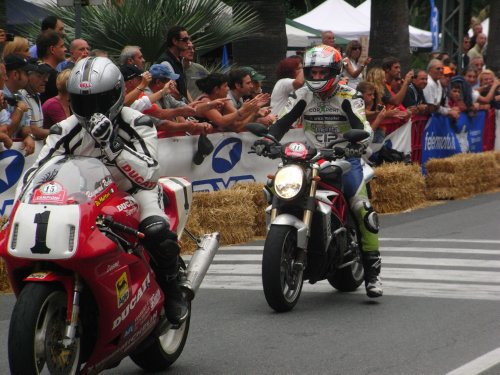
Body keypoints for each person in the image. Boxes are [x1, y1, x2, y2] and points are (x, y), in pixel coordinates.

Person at [23, 56, 188, 324]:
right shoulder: (63, 130)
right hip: (83, 196)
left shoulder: (138, 123)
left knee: (157, 232)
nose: (91, 109)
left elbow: (149, 176)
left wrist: (112, 145)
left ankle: (172, 290)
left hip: (133, 192)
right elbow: (39, 169)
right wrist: (24, 200)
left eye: (98, 101)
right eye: (83, 101)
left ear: (116, 94)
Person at [258, 45, 382, 298]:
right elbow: (282, 120)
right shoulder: (302, 94)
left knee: (361, 208)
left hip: (345, 158)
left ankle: (372, 273)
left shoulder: (349, 96)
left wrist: (357, 143)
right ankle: (284, 244)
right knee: (274, 190)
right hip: (310, 158)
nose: (315, 77)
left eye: (321, 72)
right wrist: (269, 140)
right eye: (311, 72)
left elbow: (362, 125)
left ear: (335, 72)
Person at [3, 54, 35, 155]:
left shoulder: (19, 95)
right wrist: (19, 110)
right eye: (26, 73)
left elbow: (25, 126)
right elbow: (6, 133)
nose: (29, 77)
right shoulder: (1, 96)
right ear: (15, 74)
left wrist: (28, 136)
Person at [19, 58, 52, 140]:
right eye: (40, 76)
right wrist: (53, 132)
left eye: (46, 76)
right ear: (28, 76)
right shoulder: (22, 94)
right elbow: (30, 128)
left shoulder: (36, 94)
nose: (46, 80)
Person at [156, 25, 190, 100]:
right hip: (175, 108)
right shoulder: (166, 62)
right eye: (185, 39)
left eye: (188, 39)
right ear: (175, 41)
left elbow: (183, 88)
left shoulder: (179, 59)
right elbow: (171, 91)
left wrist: (192, 105)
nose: (188, 42)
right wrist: (186, 105)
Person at [36, 30, 67, 103]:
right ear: (52, 49)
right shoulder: (53, 76)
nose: (65, 49)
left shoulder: (37, 71)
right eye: (62, 46)